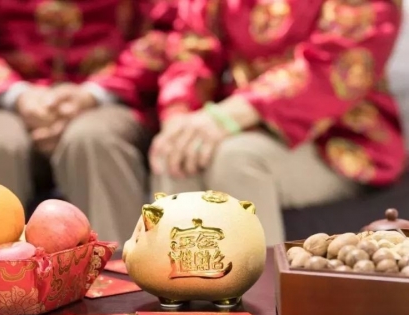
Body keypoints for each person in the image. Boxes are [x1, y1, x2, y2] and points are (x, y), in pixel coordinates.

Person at [145, 0, 404, 246]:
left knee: (238, 159)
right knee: (177, 154)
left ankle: (264, 279)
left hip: (341, 138)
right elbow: (192, 48)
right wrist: (180, 116)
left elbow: (338, 63)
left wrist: (228, 115)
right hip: (241, 125)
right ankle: (183, 277)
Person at [0, 0, 176, 246]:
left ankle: (122, 263)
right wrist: (17, 95)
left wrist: (94, 93)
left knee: (95, 139)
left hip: (111, 97)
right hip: (4, 99)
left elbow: (162, 32)